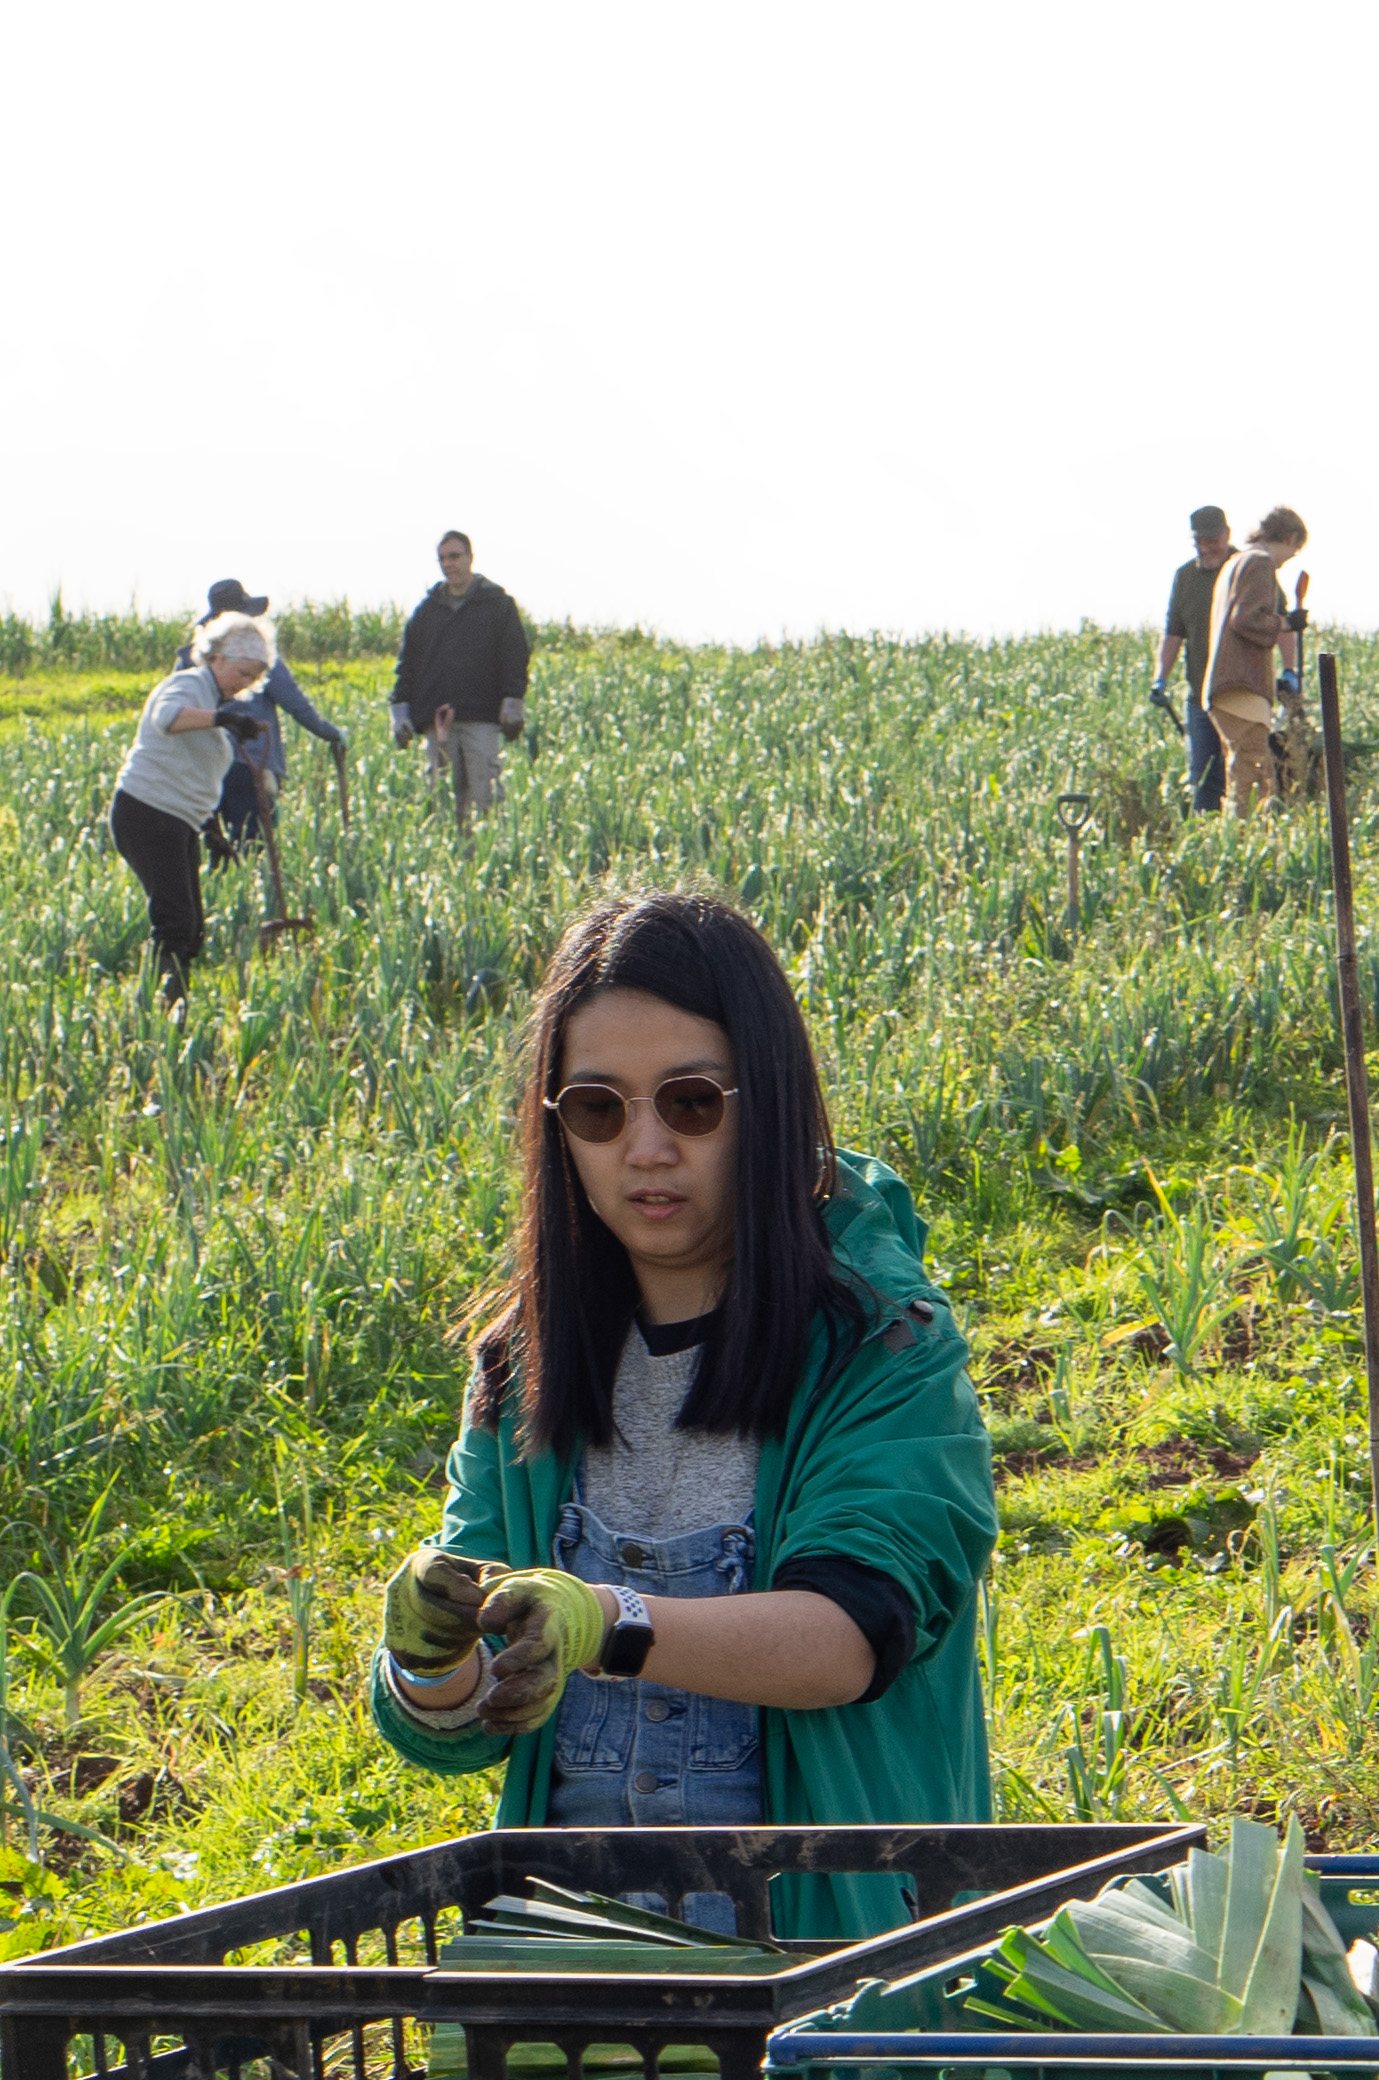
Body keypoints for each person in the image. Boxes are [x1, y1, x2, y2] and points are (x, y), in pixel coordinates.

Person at [370, 891, 999, 1940]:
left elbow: (844, 1638)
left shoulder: (881, 1344)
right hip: (575, 1974)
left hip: (830, 1969)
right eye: (599, 1110)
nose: (646, 1148)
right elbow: (468, 1729)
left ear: (770, 1106)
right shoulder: (524, 1366)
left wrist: (608, 1624)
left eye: (692, 1102)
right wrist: (429, 1664)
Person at [110, 610, 276, 999]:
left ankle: (166, 1001)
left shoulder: (211, 698)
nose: (245, 685)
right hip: (146, 811)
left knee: (192, 926)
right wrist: (222, 718)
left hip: (176, 819)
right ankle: (162, 1010)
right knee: (175, 922)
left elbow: (192, 772)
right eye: (242, 673)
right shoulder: (186, 685)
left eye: (253, 678)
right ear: (217, 657)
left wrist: (210, 828)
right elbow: (167, 719)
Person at [180, 577, 344, 859]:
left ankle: (225, 898)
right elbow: (293, 700)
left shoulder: (191, 657)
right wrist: (328, 732)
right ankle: (252, 899)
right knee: (253, 846)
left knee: (216, 849)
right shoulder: (258, 653)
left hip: (203, 765)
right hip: (249, 761)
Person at [391, 530, 534, 815]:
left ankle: (488, 855)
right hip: (437, 720)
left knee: (487, 799)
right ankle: (448, 859)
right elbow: (409, 664)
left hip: (481, 717)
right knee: (441, 802)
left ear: (470, 557)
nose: (449, 564)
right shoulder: (427, 612)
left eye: (455, 556)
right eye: (442, 559)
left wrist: (513, 700)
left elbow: (515, 658)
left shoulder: (498, 606)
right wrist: (399, 712)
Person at [1202, 506, 1309, 816]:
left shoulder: (1234, 563)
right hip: (1242, 685)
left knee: (1241, 772)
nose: (1288, 559)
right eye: (1293, 551)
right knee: (1253, 777)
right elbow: (1246, 619)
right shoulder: (1260, 564)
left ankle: (1238, 841)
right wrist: (1286, 624)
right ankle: (1246, 843)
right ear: (1289, 538)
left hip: (1224, 685)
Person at [1147, 505, 1231, 813]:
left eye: (1213, 540)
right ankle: (1206, 838)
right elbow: (1173, 632)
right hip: (1200, 697)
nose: (1206, 548)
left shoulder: (1247, 568)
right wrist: (1161, 678)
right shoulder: (1185, 577)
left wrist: (1290, 671)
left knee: (1242, 772)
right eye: (1200, 541)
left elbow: (1278, 621)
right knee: (1203, 777)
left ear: (1226, 535)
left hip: (1238, 693)